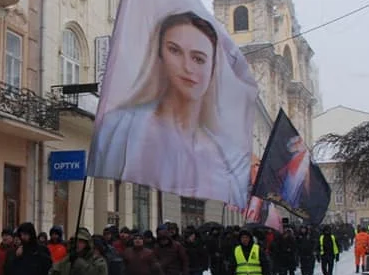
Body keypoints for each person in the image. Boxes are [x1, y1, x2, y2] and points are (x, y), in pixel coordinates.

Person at [89, 12, 250, 206]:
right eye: (175, 51)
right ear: (159, 56)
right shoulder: (118, 126)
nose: (187, 67)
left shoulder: (221, 155)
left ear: (212, 69)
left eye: (198, 59)